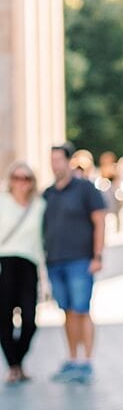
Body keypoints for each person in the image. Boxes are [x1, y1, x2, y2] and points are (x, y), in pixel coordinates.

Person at [42, 141, 106, 384]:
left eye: (58, 160)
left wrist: (97, 255)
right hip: (55, 261)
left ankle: (86, 362)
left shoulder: (85, 189)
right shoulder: (48, 193)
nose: (54, 165)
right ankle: (71, 358)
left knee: (82, 310)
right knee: (67, 312)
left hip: (80, 260)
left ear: (68, 161)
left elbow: (100, 221)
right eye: (52, 161)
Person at [0, 162, 45, 384]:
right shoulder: (2, 202)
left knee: (30, 320)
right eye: (16, 178)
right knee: (4, 318)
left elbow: (41, 240)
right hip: (5, 263)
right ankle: (13, 366)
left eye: (26, 178)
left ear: (31, 182)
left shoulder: (39, 205)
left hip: (29, 265)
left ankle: (17, 361)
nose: (21, 182)